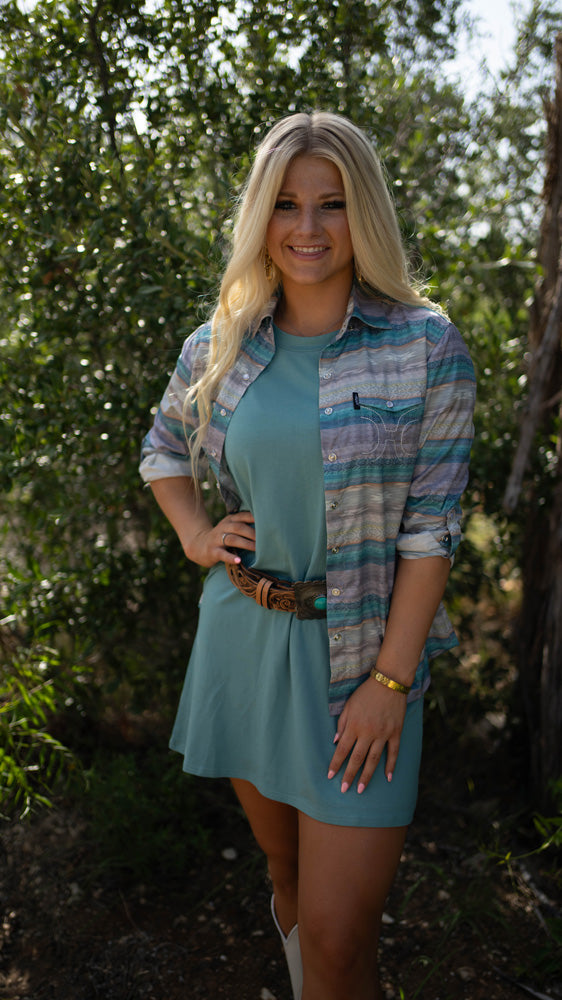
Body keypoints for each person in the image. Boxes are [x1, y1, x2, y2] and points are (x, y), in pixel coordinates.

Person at [139, 111, 476, 1000]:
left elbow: (432, 528)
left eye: (331, 204)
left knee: (337, 934)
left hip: (365, 664)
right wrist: (195, 534)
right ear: (262, 216)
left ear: (363, 213)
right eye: (287, 204)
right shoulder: (224, 345)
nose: (309, 229)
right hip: (245, 644)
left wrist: (391, 683)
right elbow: (162, 448)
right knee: (286, 878)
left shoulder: (426, 346)